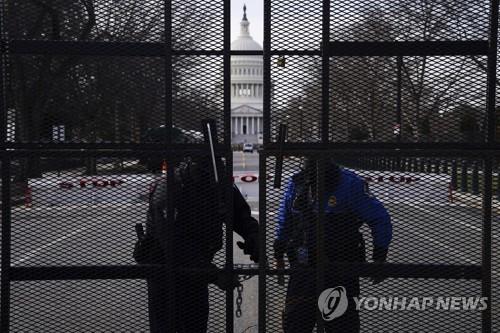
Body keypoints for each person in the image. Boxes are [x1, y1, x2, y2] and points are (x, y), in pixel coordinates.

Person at [136, 129, 259, 333]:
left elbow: (239, 212)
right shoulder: (170, 189)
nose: (211, 177)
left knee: (195, 325)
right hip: (165, 272)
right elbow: (174, 245)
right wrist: (214, 275)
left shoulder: (216, 181)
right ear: (191, 164)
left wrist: (253, 235)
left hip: (197, 272)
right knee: (168, 326)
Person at [273, 158, 392, 333]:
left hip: (340, 268)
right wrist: (279, 252)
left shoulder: (350, 184)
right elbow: (285, 219)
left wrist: (379, 256)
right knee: (295, 324)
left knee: (341, 325)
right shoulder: (297, 183)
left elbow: (380, 218)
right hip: (304, 268)